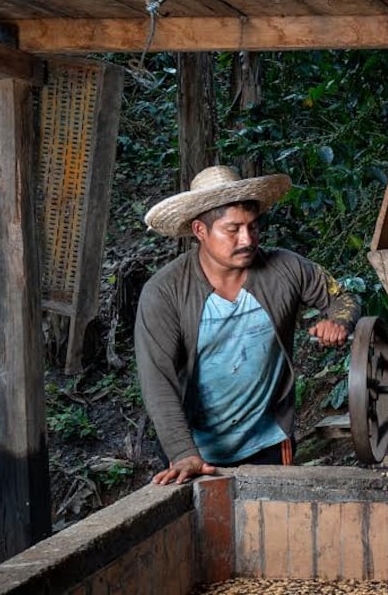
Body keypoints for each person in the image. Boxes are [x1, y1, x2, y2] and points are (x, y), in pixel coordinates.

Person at [135, 165, 360, 485]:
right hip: (197, 452)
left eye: (253, 227)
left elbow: (343, 296)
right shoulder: (165, 292)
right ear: (200, 230)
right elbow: (158, 379)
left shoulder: (286, 268)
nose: (247, 239)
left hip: (269, 441)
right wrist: (183, 451)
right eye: (233, 229)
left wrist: (339, 320)